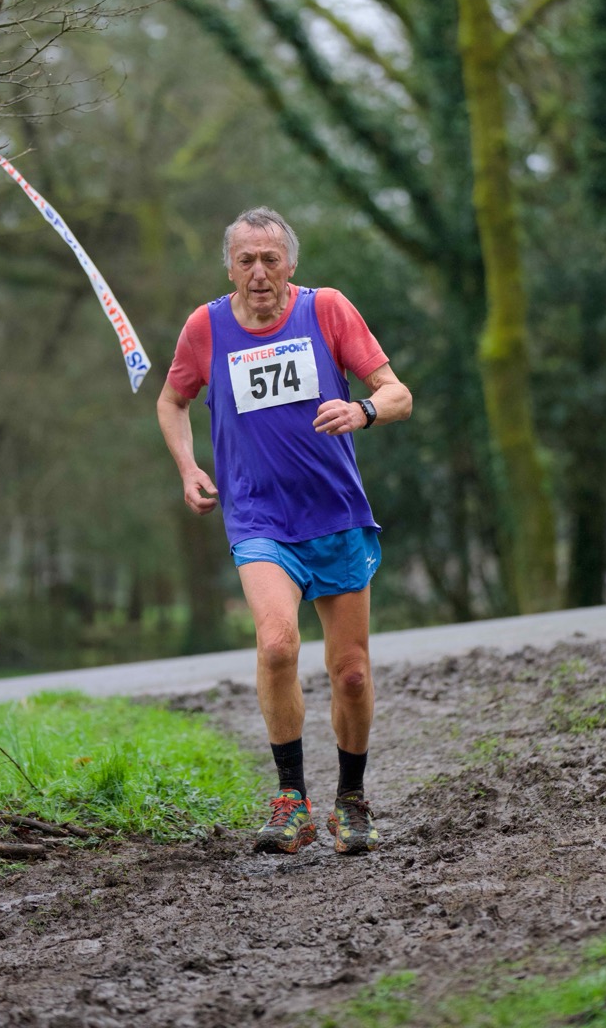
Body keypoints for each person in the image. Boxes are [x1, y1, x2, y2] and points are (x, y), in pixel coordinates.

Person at [156, 207, 412, 855]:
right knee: (276, 646)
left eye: (270, 259)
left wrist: (362, 410)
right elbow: (172, 399)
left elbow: (397, 394)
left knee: (350, 673)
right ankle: (291, 800)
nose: (259, 272)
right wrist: (188, 468)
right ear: (229, 267)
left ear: (290, 264)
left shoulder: (326, 310)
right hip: (258, 517)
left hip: (334, 513)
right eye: (246, 260)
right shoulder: (206, 327)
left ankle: (350, 800)